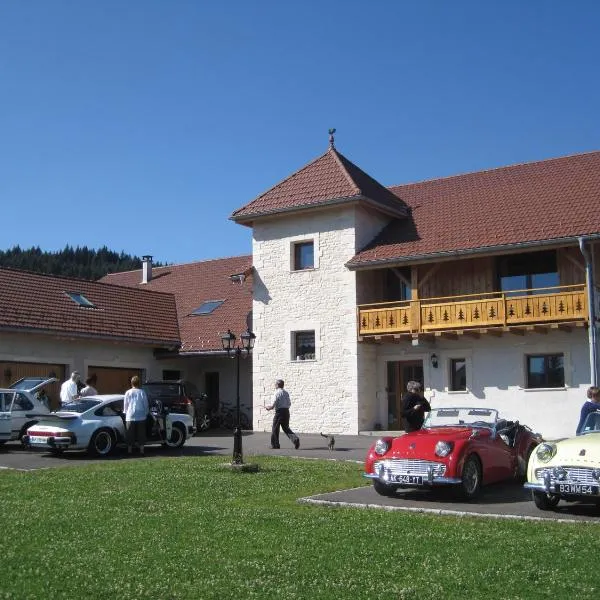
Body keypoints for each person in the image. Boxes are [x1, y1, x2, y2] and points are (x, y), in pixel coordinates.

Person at [265, 379, 300, 450]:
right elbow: (289, 404)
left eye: (275, 384)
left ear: (278, 385)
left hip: (279, 413)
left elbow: (273, 405)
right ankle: (295, 439)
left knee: (275, 428)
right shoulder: (286, 393)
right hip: (286, 412)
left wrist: (268, 408)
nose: (275, 385)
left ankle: (275, 445)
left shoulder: (276, 393)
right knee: (286, 428)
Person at [123, 375, 150, 455]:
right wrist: (146, 412)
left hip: (130, 416)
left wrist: (125, 412)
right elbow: (145, 404)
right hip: (141, 415)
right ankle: (141, 451)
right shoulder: (142, 392)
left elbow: (126, 404)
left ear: (131, 383)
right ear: (139, 383)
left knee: (130, 434)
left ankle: (129, 450)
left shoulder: (127, 392)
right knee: (141, 434)